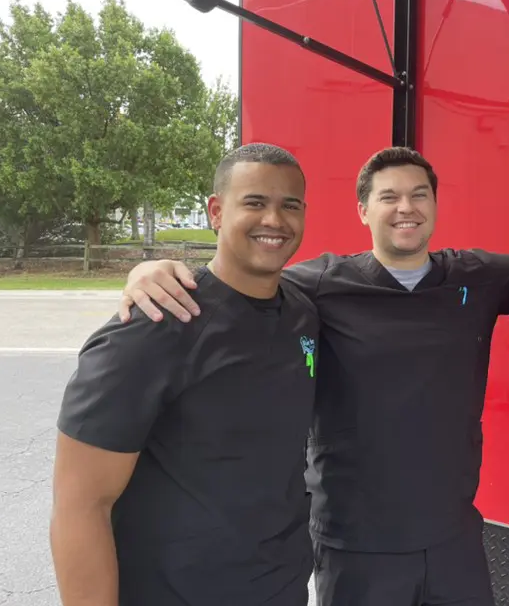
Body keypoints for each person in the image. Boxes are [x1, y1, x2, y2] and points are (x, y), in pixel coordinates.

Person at [117, 146, 509, 606]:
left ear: (435, 206)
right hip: (356, 542)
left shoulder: (474, 275)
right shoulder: (319, 284)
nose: (406, 208)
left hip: (453, 537)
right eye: (388, 197)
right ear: (363, 210)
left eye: (419, 195)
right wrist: (148, 269)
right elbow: (237, 281)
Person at [50, 143, 320, 606]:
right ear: (216, 211)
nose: (274, 220)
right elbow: (80, 507)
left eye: (289, 205)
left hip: (282, 590)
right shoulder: (153, 327)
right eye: (254, 202)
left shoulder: (303, 312)